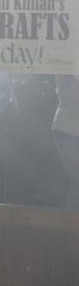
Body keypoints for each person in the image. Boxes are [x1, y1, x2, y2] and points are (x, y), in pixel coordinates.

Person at [52, 75, 79, 207]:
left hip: (67, 129)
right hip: (67, 130)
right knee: (77, 182)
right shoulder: (67, 66)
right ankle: (71, 217)